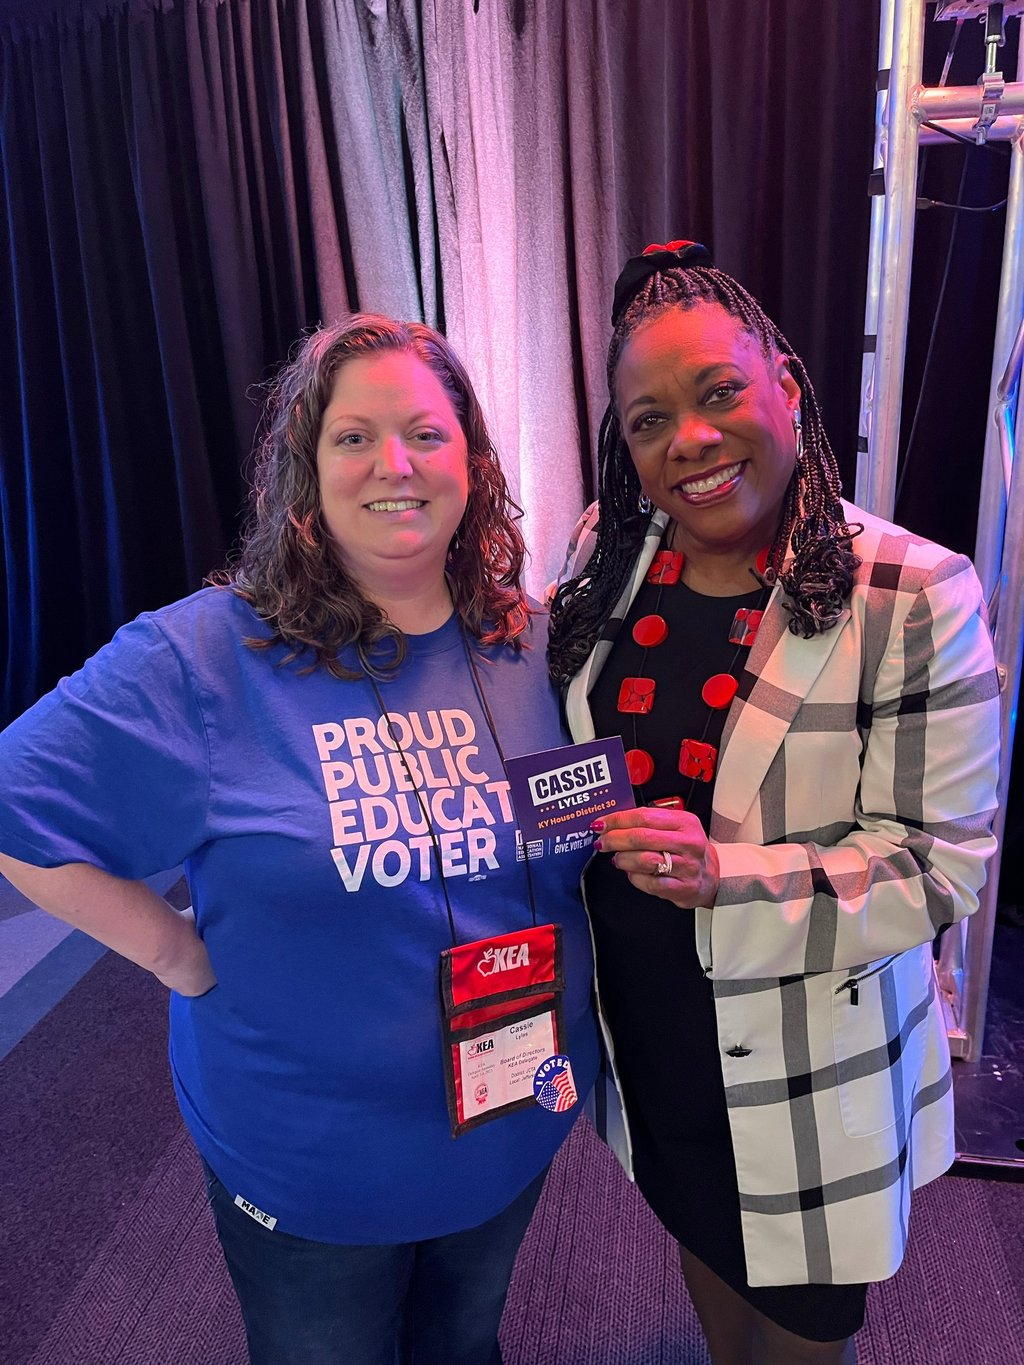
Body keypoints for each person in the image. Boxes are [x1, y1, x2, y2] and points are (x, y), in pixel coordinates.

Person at [0, 315, 600, 1365]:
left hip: (511, 1117)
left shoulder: (535, 644)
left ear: (472, 460)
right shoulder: (204, 658)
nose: (393, 465)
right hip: (312, 1159)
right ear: (306, 471)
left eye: (424, 433)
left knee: (465, 1343)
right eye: (354, 437)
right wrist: (174, 954)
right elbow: (15, 798)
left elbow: (568, 840)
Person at [547, 241, 1001, 1365]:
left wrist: (725, 877)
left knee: (801, 1326)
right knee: (703, 1246)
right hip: (647, 1019)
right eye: (647, 420)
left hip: (806, 1046)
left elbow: (940, 865)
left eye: (716, 394)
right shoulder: (610, 552)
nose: (688, 441)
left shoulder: (910, 591)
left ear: (787, 387)